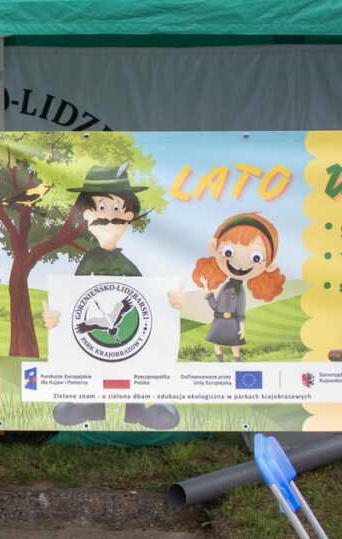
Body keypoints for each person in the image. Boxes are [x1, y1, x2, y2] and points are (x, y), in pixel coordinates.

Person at [42, 163, 179, 430]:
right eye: (101, 208)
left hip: (127, 326)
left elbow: (144, 294)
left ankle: (138, 409)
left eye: (117, 209)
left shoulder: (127, 261)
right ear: (87, 214)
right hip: (94, 327)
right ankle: (90, 405)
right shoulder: (89, 259)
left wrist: (169, 301)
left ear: (128, 215)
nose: (109, 218)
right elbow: (73, 294)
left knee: (133, 360)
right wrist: (56, 315)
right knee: (92, 359)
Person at [182, 212, 284, 362]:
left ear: (270, 266)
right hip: (219, 321)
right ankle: (220, 364)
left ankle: (238, 365)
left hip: (232, 322)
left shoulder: (238, 290)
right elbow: (215, 305)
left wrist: (242, 328)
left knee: (235, 347)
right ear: (213, 247)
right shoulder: (226, 286)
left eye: (256, 257)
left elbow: (240, 311)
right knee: (217, 344)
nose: (241, 263)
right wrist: (206, 287)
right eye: (228, 252)